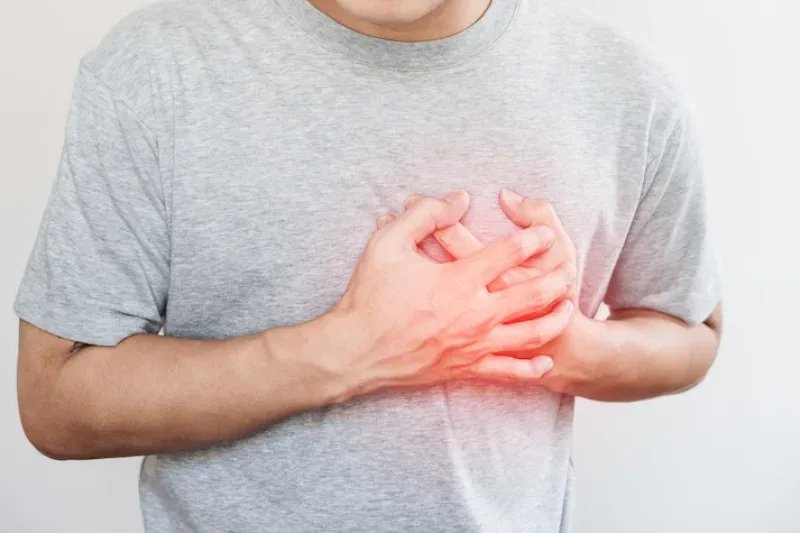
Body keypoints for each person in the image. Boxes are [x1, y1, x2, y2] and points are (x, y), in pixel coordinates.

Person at [14, 0, 723, 531]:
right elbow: (55, 403)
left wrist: (557, 344)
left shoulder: (630, 89)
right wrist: (346, 353)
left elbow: (691, 335)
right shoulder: (154, 69)